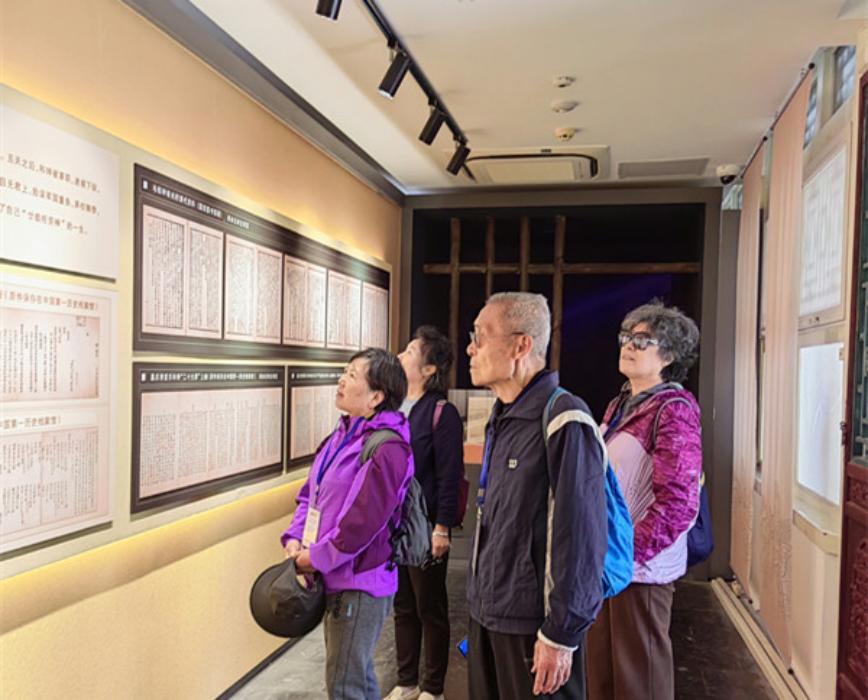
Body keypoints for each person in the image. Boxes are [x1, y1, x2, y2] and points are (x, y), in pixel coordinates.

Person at [465, 292, 608, 700]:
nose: (470, 349)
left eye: (480, 336)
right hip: (489, 613)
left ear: (521, 345)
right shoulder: (502, 416)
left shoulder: (565, 417)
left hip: (535, 625)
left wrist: (561, 633)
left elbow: (581, 536)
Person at [282, 348, 414, 700]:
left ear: (376, 397)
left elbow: (360, 525)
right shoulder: (340, 436)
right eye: (345, 371)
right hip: (331, 572)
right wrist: (295, 538)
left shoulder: (388, 449)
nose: (341, 380)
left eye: (352, 375)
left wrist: (314, 558)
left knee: (345, 683)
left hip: (359, 581)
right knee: (353, 677)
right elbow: (310, 495)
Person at [586, 302, 702, 700]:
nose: (628, 346)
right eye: (625, 337)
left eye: (642, 340)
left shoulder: (674, 411)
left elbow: (679, 504)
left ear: (668, 355)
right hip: (608, 560)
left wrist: (626, 553)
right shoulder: (622, 404)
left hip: (641, 570)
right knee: (601, 674)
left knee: (640, 680)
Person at [385, 326, 465, 700]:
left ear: (430, 369)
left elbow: (450, 476)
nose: (401, 356)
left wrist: (442, 527)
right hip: (393, 526)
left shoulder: (440, 413)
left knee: (429, 607)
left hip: (426, 525)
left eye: (410, 352)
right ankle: (406, 682)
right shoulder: (391, 407)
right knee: (402, 605)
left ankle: (433, 688)